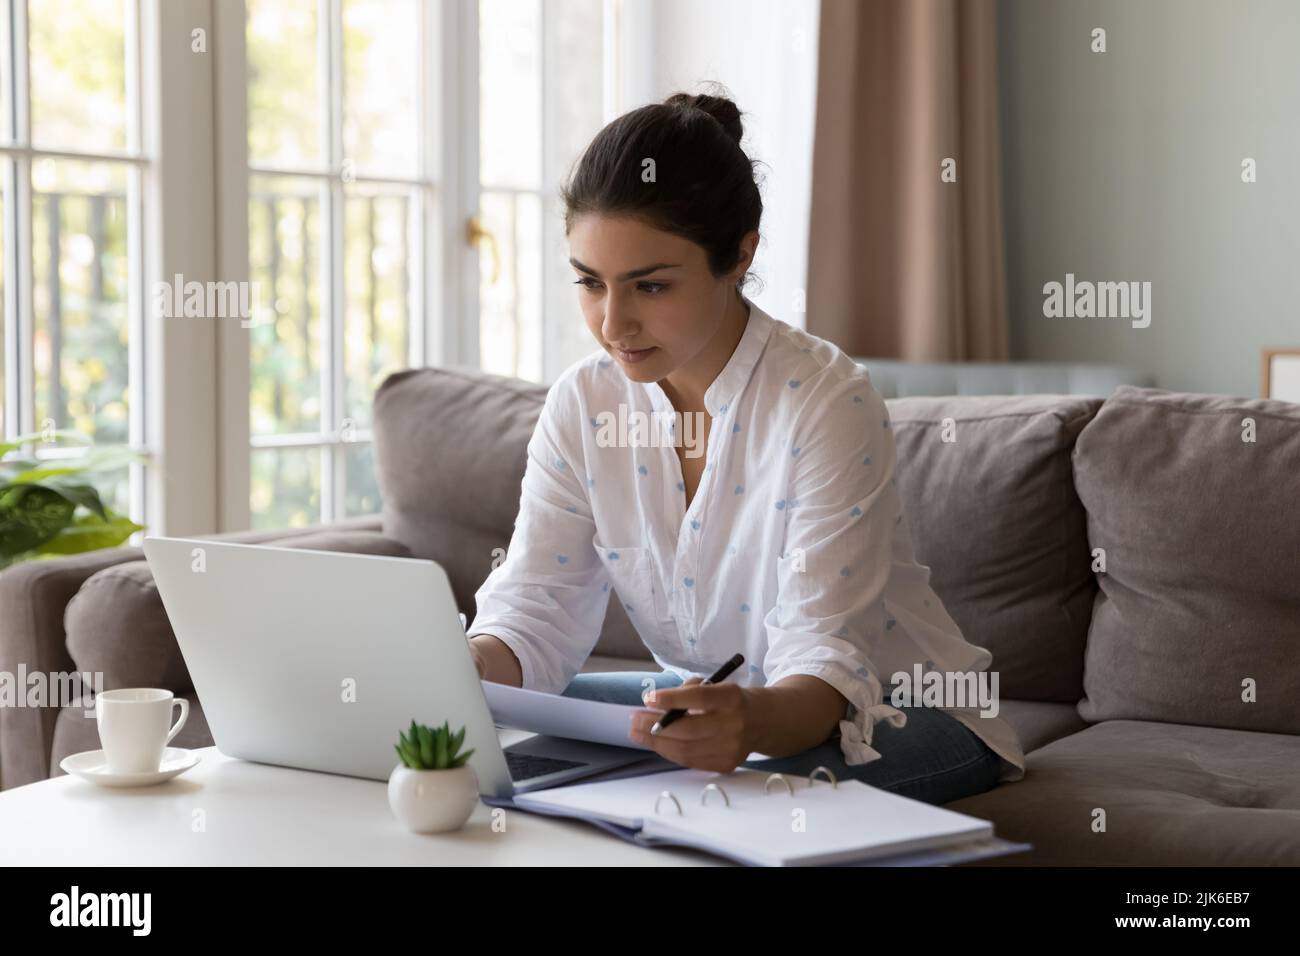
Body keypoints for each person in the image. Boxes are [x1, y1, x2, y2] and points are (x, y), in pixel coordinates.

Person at [467, 88, 1024, 806]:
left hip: (899, 708)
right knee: (498, 751)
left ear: (739, 256)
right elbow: (536, 610)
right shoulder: (583, 405)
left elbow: (823, 661)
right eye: (590, 283)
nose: (613, 323)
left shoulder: (824, 400)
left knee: (701, 799)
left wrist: (747, 722)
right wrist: (458, 668)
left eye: (651, 285)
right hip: (724, 700)